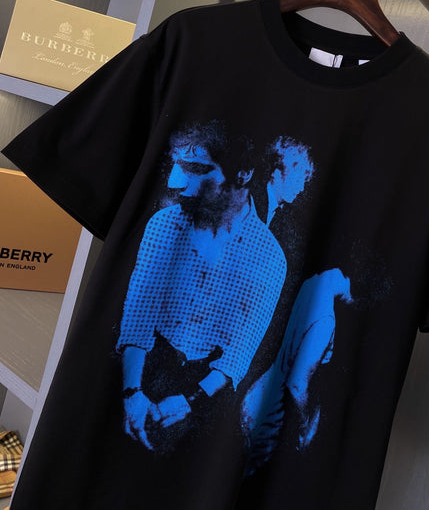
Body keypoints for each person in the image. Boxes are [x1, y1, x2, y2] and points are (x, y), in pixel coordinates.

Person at [116, 121, 287, 452]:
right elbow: (138, 316)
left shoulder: (269, 257)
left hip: (208, 390)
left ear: (243, 173)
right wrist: (132, 391)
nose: (175, 183)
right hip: (144, 366)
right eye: (177, 166)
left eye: (195, 169)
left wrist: (190, 399)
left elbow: (239, 353)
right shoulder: (163, 225)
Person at [241, 268, 353, 473]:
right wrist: (305, 424)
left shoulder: (309, 285)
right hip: (276, 414)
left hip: (257, 395)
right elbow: (297, 384)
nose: (351, 299)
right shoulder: (325, 320)